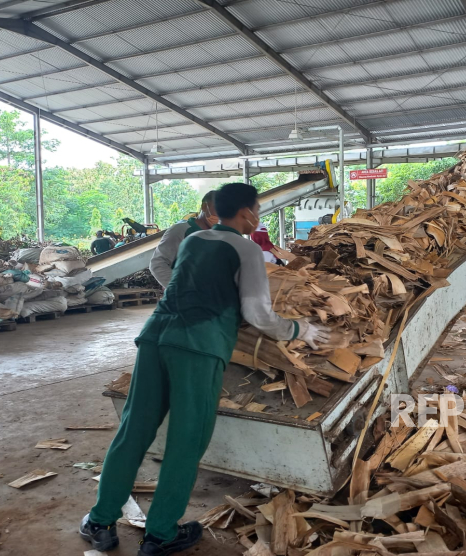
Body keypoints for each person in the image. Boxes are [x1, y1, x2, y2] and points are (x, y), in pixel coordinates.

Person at [79, 182, 330, 556]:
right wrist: (301, 328)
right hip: (199, 347)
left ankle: (99, 521)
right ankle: (160, 534)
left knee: (133, 431)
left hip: (155, 339)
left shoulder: (194, 240)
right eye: (257, 212)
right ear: (245, 213)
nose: (257, 218)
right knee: (186, 441)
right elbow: (258, 314)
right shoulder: (246, 249)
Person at [149, 190, 218, 288]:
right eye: (216, 209)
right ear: (204, 207)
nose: (219, 216)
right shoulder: (180, 231)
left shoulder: (220, 236)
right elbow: (158, 263)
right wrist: (180, 289)